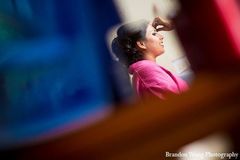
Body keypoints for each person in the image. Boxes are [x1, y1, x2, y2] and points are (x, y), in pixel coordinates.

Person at [111, 17, 189, 100]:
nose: (161, 36)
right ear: (141, 44)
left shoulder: (146, 70)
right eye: (154, 34)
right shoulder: (148, 72)